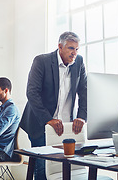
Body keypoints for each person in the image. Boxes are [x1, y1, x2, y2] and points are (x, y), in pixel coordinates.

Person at [20, 31, 87, 180]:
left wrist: (82, 116)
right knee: (42, 169)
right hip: (40, 123)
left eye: (77, 49)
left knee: (65, 168)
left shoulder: (79, 62)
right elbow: (32, 93)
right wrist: (47, 119)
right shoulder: (41, 61)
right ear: (60, 47)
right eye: (70, 48)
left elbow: (85, 92)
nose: (74, 53)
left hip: (66, 127)